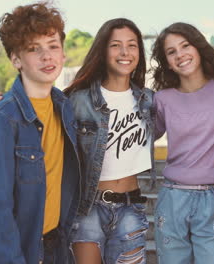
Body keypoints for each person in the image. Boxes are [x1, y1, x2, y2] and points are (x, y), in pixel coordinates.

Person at [0, 3, 81, 263]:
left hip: (57, 247)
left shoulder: (66, 108)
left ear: (64, 54)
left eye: (53, 46)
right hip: (20, 252)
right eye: (34, 49)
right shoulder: (0, 120)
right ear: (15, 59)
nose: (47, 56)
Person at [151, 22, 214, 264]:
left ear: (199, 47)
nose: (180, 54)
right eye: (171, 52)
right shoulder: (162, 99)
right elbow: (142, 136)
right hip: (172, 198)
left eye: (185, 45)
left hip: (213, 198)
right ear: (167, 61)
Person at [64, 18, 155, 264]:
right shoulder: (77, 100)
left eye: (132, 45)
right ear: (103, 51)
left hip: (131, 207)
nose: (125, 52)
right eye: (116, 45)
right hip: (88, 208)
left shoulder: (149, 100)